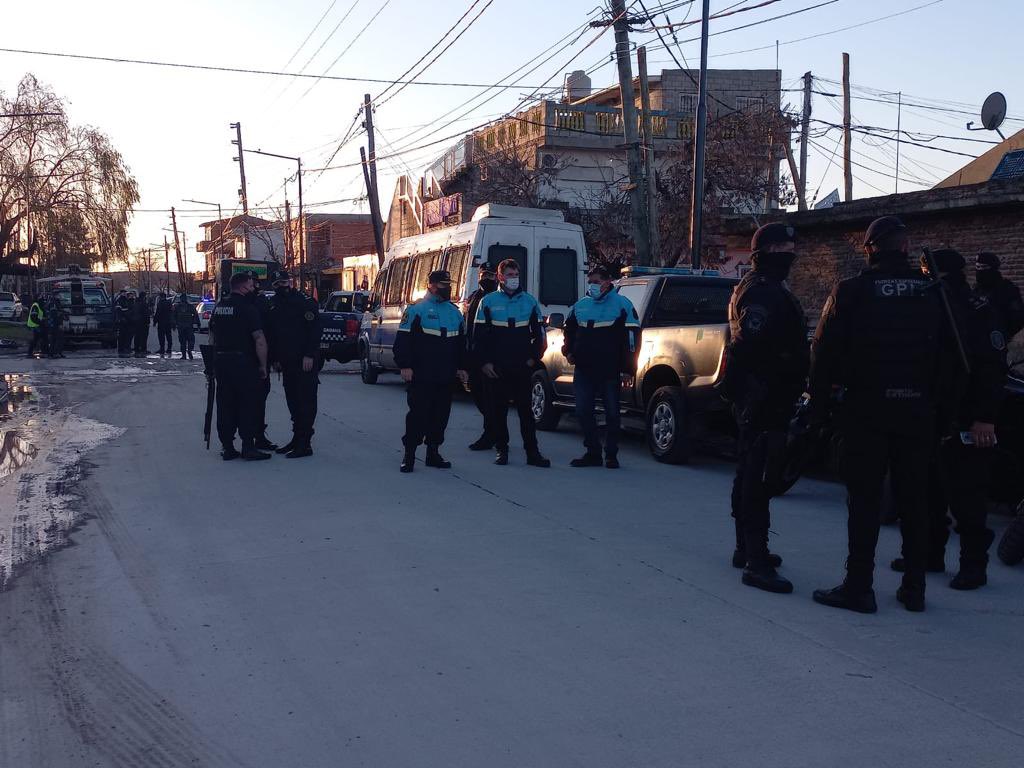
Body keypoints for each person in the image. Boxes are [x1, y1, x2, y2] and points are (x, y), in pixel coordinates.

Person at [809, 216, 953, 614]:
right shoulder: (932, 291)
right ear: (905, 248)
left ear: (871, 248)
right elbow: (953, 354)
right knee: (914, 500)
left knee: (865, 501)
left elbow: (822, 355)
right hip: (918, 411)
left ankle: (859, 587)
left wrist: (818, 409)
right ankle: (914, 588)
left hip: (866, 411)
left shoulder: (852, 291)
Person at [889, 249, 1007, 590]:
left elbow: (991, 370)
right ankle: (930, 554)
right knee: (929, 492)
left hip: (967, 417)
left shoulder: (977, 311)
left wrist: (984, 418)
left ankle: (973, 565)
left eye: (928, 271)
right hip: (930, 414)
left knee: (967, 496)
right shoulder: (929, 308)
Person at [720, 222, 807, 594]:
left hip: (768, 394)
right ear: (764, 253)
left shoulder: (767, 288)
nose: (789, 254)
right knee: (758, 477)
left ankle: (746, 547)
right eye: (782, 248)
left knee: (750, 471)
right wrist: (753, 390)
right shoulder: (761, 292)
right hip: (763, 396)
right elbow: (747, 345)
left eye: (791, 247)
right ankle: (755, 560)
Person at [562, 264, 641, 469]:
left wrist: (627, 369)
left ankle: (611, 455)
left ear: (608, 282)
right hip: (584, 369)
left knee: (613, 413)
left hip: (610, 370)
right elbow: (568, 330)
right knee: (582, 411)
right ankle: (593, 452)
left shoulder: (622, 304)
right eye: (590, 282)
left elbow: (632, 339)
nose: (593, 286)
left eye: (596, 282)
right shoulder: (580, 305)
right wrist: (568, 351)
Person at [473, 259, 551, 468]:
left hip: (522, 366)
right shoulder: (487, 302)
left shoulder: (530, 302)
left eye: (516, 275)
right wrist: (485, 363)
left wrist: (533, 359)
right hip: (497, 368)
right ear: (500, 277)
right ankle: (502, 449)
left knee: (526, 412)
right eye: (509, 275)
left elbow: (540, 335)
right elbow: (479, 337)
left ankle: (532, 453)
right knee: (499, 411)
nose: (513, 279)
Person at [394, 270, 469, 473]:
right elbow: (403, 341)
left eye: (449, 284)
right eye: (444, 285)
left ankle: (433, 452)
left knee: (440, 416)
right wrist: (405, 365)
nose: (448, 288)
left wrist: (462, 367)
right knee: (418, 415)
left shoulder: (454, 312)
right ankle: (409, 455)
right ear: (432, 286)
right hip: (421, 375)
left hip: (445, 375)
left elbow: (461, 344)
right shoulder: (416, 310)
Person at [209, 272, 271, 461]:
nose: (253, 289)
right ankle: (248, 447)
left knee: (225, 404)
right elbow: (259, 339)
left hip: (221, 362)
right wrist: (263, 365)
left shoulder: (219, 307)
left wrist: (211, 364)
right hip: (244, 363)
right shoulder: (248, 308)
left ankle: (227, 446)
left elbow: (212, 336)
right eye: (251, 286)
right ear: (244, 287)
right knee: (247, 404)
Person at [267, 270, 320, 459]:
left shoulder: (304, 302)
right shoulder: (273, 304)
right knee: (293, 402)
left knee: (305, 402)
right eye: (278, 284)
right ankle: (296, 438)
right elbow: (273, 335)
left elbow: (314, 332)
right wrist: (274, 358)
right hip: (286, 362)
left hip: (304, 361)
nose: (283, 286)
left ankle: (305, 443)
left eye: (285, 282)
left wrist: (309, 355)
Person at [464, 264, 498, 451]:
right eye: (483, 274)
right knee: (477, 394)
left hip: (489, 357)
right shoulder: (474, 296)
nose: (486, 278)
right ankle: (493, 430)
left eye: (490, 275)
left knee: (489, 397)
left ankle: (491, 433)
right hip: (473, 355)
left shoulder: (496, 299)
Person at [248, 283, 278, 452]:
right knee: (254, 402)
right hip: (252, 360)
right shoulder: (254, 305)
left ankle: (251, 439)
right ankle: (253, 440)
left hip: (245, 360)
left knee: (253, 401)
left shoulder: (234, 304)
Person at [974, 252, 1024, 341]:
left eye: (984, 267)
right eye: (978, 267)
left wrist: (1003, 334)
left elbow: (1018, 317)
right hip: (979, 339)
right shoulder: (976, 289)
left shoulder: (1007, 289)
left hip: (998, 338)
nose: (980, 270)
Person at [173, 293, 198, 359]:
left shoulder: (178, 307)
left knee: (183, 341)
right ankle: (188, 351)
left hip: (182, 326)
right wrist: (197, 323)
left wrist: (174, 324)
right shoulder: (189, 306)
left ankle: (184, 354)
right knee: (189, 340)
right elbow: (195, 315)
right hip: (187, 326)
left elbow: (174, 316)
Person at [45, 293, 66, 358]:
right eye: (58, 295)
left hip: (52, 324)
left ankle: (55, 353)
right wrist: (59, 323)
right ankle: (55, 353)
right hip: (55, 325)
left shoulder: (51, 303)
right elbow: (55, 315)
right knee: (57, 339)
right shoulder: (54, 303)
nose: (60, 296)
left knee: (54, 339)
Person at [114, 288, 134, 357]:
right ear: (121, 293)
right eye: (123, 293)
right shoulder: (120, 300)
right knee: (122, 336)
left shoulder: (124, 300)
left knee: (125, 335)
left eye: (125, 293)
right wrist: (121, 318)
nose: (125, 294)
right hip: (122, 321)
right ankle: (121, 348)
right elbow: (119, 310)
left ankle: (124, 348)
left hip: (126, 320)